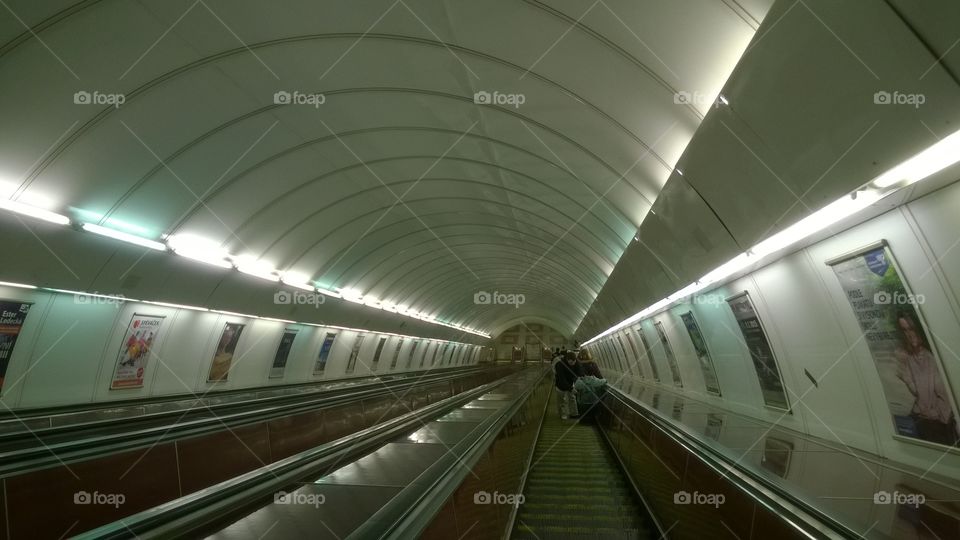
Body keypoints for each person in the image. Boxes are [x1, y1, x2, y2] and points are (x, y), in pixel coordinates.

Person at [893, 311, 959, 445]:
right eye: (905, 330)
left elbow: (947, 399)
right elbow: (913, 393)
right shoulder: (907, 357)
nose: (909, 334)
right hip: (921, 420)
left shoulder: (933, 357)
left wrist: (933, 413)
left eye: (911, 329)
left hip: (939, 423)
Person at [554, 351, 581, 420]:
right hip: (560, 384)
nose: (573, 364)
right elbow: (562, 379)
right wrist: (571, 389)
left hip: (570, 383)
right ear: (567, 359)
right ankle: (563, 414)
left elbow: (580, 373)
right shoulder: (559, 365)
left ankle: (574, 414)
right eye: (571, 363)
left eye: (574, 362)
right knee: (562, 400)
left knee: (572, 398)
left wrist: (580, 382)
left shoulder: (576, 362)